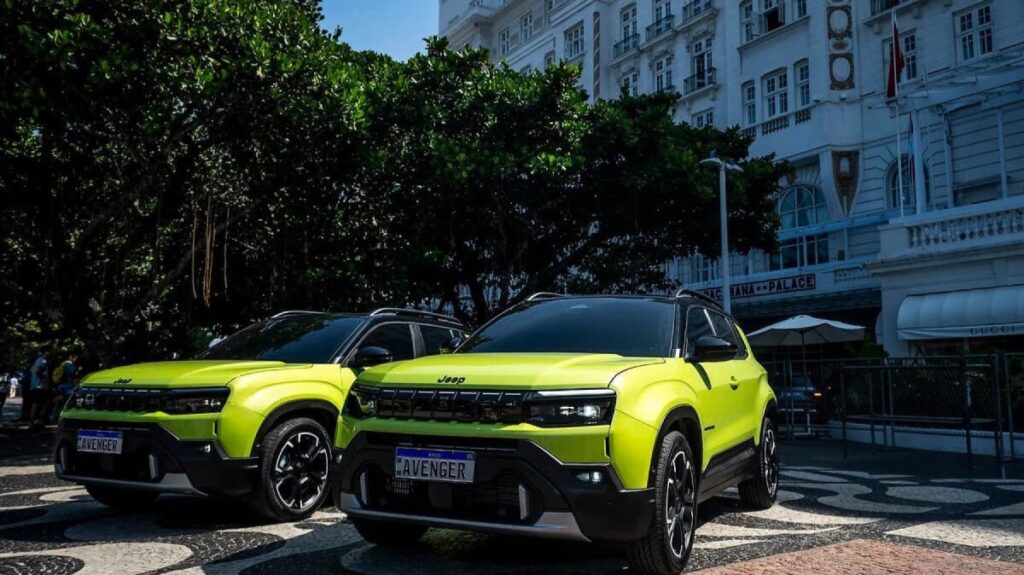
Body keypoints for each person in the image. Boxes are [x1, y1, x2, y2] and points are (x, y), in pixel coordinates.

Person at [50, 352, 78, 423]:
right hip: (68, 386)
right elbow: (73, 375)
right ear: (71, 357)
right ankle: (65, 418)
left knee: (58, 402)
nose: (76, 359)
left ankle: (53, 417)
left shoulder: (63, 363)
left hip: (60, 385)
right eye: (75, 357)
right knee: (68, 402)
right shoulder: (70, 364)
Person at [27, 347, 51, 429]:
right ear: (45, 352)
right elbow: (38, 372)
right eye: (48, 351)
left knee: (36, 405)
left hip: (35, 386)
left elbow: (34, 371)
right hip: (40, 386)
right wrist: (44, 379)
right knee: (43, 405)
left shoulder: (37, 361)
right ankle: (38, 424)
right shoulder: (43, 361)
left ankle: (32, 425)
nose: (49, 353)